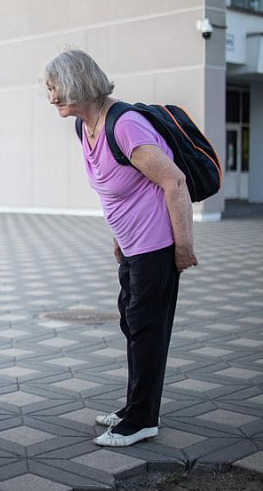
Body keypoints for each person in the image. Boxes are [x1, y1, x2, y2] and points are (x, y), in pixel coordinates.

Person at [39, 49, 198, 447]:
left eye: (55, 88)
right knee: (132, 323)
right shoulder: (85, 127)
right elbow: (120, 192)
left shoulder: (125, 125)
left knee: (146, 329)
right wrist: (117, 238)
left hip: (158, 246)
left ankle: (142, 420)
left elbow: (174, 183)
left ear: (77, 84)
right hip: (131, 247)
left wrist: (183, 249)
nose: (51, 97)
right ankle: (135, 407)